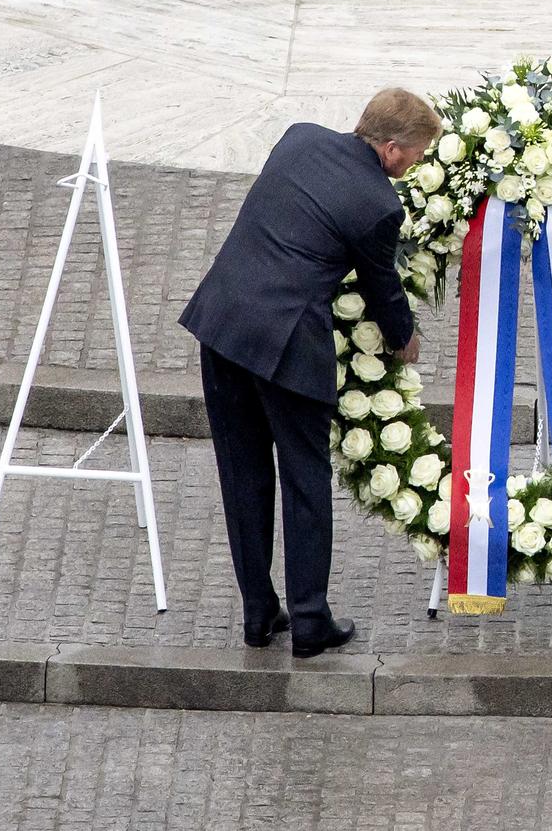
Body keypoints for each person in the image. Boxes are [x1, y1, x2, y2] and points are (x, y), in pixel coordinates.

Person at [180, 89, 434, 656]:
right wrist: (403, 340)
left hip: (220, 323)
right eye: (415, 154)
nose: (414, 165)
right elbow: (381, 287)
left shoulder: (299, 138)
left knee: (242, 473)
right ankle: (311, 620)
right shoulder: (378, 204)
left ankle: (257, 612)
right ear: (392, 149)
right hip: (288, 346)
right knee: (304, 481)